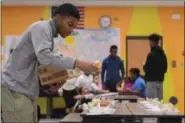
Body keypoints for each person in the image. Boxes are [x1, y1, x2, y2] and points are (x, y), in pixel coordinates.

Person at [1, 3, 99, 123]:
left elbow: (42, 67)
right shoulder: (42, 27)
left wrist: (49, 86)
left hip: (26, 93)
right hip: (15, 90)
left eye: (74, 27)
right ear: (58, 17)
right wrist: (79, 63)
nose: (71, 30)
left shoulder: (49, 39)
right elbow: (45, 58)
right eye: (70, 24)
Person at [143, 33, 167, 100]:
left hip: (151, 82)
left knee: (151, 105)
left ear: (152, 42)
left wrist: (144, 65)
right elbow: (165, 69)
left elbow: (147, 69)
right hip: (160, 82)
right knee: (159, 105)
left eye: (150, 42)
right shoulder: (163, 54)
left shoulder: (151, 54)